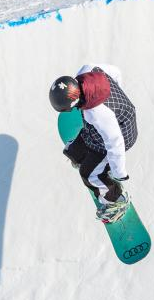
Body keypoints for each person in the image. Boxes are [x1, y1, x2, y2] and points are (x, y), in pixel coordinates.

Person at [49, 64, 138, 223]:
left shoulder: (97, 113)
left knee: (89, 174)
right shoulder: (87, 71)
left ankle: (116, 200)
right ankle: (85, 157)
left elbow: (115, 143)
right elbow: (116, 72)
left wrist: (119, 172)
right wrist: (119, 98)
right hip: (109, 126)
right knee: (73, 151)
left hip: (124, 135)